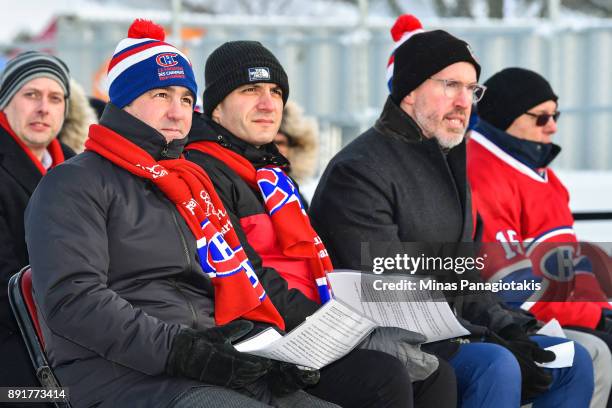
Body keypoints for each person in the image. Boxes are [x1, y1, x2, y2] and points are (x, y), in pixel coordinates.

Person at [24, 20, 338, 408]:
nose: (177, 112)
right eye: (161, 95)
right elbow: (74, 301)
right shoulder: (73, 183)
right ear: (123, 102)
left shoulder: (190, 183)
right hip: (117, 373)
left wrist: (269, 355)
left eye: (186, 99)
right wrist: (182, 352)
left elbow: (238, 282)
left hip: (206, 359)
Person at [309, 26, 594, 407]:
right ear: (409, 91)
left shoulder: (449, 161)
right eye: (450, 86)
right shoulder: (360, 170)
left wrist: (514, 327)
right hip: (387, 340)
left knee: (572, 360)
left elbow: (464, 275)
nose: (464, 101)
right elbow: (390, 291)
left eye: (472, 90)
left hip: (453, 330)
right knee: (496, 363)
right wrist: (487, 337)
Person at [184, 40, 457, 408]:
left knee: (435, 374)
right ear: (216, 106)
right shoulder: (204, 171)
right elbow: (245, 273)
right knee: (384, 376)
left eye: (276, 91)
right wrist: (335, 325)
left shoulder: (272, 173)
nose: (268, 104)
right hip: (266, 337)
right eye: (250, 90)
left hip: (314, 324)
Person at [468, 67, 612, 408]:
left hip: (560, 311)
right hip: (512, 319)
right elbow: (513, 289)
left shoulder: (541, 175)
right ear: (506, 118)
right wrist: (595, 316)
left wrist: (602, 308)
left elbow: (570, 271)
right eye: (541, 117)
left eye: (556, 114)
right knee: (595, 353)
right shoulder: (484, 176)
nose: (553, 126)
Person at [0, 51, 73, 405]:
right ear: (6, 102)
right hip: (15, 334)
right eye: (31, 95)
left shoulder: (80, 167)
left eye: (55, 98)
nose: (44, 108)